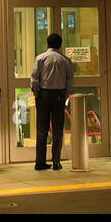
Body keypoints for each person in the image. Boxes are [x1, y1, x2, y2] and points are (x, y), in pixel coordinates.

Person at [30, 32, 74, 170]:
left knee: (42, 129)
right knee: (58, 129)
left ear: (47, 44)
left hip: (43, 94)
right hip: (59, 95)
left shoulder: (40, 58)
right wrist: (65, 95)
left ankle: (40, 161)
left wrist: (37, 93)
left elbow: (34, 78)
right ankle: (56, 161)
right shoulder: (65, 60)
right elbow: (69, 81)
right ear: (60, 45)